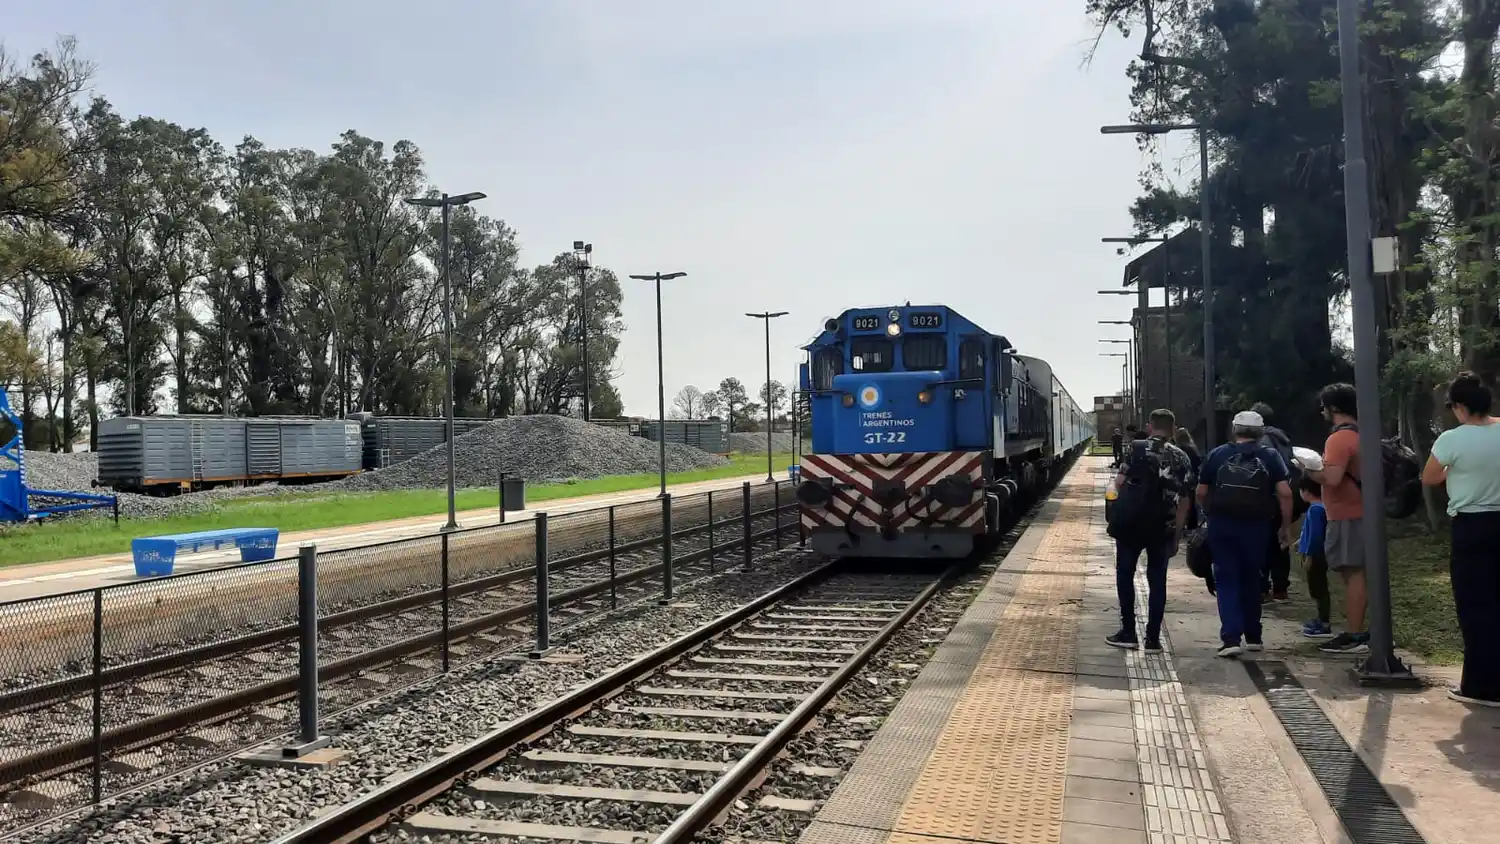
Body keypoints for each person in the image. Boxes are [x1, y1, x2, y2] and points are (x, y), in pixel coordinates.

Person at [1422, 372, 1500, 706]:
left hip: (1473, 525)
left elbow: (1430, 477)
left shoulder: (1452, 440)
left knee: (1475, 605)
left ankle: (1482, 687)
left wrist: (1457, 472)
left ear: (1460, 407)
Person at [1197, 409, 1294, 658]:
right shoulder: (1270, 456)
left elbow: (1201, 491)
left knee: (1226, 579)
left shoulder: (1218, 454)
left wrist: (1208, 512)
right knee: (1252, 577)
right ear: (1260, 432)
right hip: (1256, 526)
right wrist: (1285, 525)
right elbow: (1284, 493)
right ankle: (1253, 636)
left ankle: (1230, 638)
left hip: (1222, 524)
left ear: (1234, 429)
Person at [1105, 408, 1194, 654]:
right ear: (1173, 428)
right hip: (1162, 526)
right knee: (1157, 581)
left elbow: (1120, 482)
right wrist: (1177, 534)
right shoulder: (1182, 457)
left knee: (1125, 574)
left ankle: (1128, 633)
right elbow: (1185, 501)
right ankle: (1153, 640)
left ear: (1150, 425)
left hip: (1131, 524)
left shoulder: (1136, 447)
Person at [1304, 383, 1369, 655]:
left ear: (1333, 408)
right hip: (1360, 512)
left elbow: (1331, 478)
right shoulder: (1362, 434)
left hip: (1347, 514)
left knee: (1354, 573)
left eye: (1324, 408)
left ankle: (1355, 635)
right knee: (1356, 573)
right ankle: (1357, 630)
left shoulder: (1339, 439)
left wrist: (1307, 468)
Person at [1252, 402, 1296, 602]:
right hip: (1285, 494)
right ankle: (1280, 587)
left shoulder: (1263, 441)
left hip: (1266, 496)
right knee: (1280, 542)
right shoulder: (1283, 438)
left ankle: (1262, 588)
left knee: (1262, 541)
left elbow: (1263, 469)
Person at [1296, 478, 1333, 639]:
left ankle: (1324, 623)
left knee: (1318, 588)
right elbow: (1309, 531)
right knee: (1316, 588)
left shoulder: (1316, 510)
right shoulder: (1317, 508)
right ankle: (1320, 619)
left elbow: (1316, 535)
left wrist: (1310, 555)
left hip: (1316, 555)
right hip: (1315, 554)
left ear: (1306, 491)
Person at [1173, 427, 1203, 529]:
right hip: (1193, 477)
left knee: (1182, 502)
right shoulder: (1192, 447)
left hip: (1184, 478)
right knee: (1191, 502)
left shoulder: (1181, 449)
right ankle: (1192, 524)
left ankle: (1182, 525)